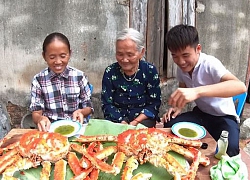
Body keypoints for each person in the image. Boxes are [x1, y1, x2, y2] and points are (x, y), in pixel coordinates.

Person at [162, 24, 247, 157]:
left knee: (230, 149)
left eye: (185, 55)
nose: (181, 61)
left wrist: (197, 91)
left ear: (198, 49)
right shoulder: (182, 68)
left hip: (223, 117)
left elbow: (240, 86)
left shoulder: (210, 64)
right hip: (201, 114)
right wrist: (177, 107)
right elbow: (183, 86)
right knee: (170, 124)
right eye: (175, 56)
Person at [30, 32, 93, 132]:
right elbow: (36, 113)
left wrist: (81, 112)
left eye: (63, 56)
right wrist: (40, 119)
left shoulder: (80, 76)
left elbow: (89, 107)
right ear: (44, 56)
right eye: (52, 57)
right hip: (50, 130)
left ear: (70, 54)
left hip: (77, 127)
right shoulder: (38, 80)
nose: (58, 61)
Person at [101, 28, 161, 128]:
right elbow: (106, 104)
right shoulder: (110, 72)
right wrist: (122, 122)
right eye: (120, 54)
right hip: (117, 119)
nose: (124, 60)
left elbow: (154, 103)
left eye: (130, 55)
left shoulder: (149, 70)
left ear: (141, 52)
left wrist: (135, 122)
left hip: (142, 119)